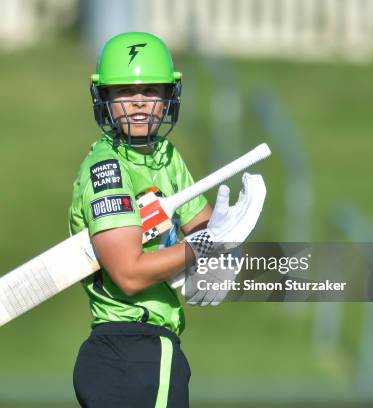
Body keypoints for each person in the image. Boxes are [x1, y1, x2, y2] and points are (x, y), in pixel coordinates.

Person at [68, 31, 255, 407]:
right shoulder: (108, 168)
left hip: (151, 350)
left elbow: (203, 231)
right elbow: (129, 274)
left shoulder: (166, 159)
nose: (139, 104)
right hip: (129, 349)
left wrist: (225, 250)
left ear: (169, 96)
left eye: (151, 91)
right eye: (124, 93)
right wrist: (205, 246)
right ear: (103, 98)